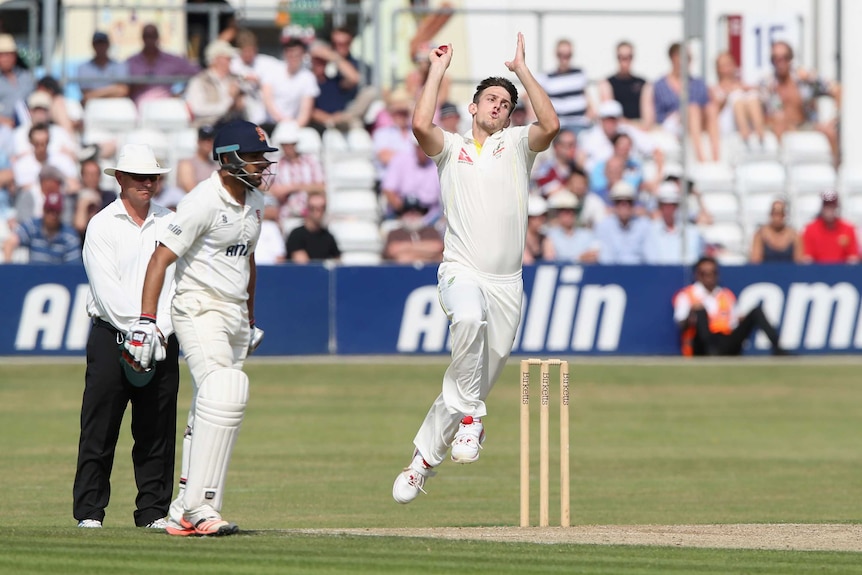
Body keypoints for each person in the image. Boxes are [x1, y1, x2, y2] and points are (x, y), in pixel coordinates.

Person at [392, 33, 559, 504]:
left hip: (507, 285)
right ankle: (473, 420)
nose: (498, 107)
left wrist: (523, 72)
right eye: (491, 99)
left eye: (506, 103)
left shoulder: (519, 145)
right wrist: (437, 70)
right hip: (461, 271)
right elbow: (420, 122)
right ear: (472, 107)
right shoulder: (451, 148)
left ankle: (421, 461)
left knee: (467, 381)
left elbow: (552, 123)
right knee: (466, 320)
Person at [124, 119, 276, 536]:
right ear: (227, 159)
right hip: (198, 308)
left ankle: (180, 510)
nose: (261, 164)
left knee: (210, 409)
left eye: (263, 157)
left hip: (232, 315)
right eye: (253, 156)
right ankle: (201, 508)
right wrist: (147, 320)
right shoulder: (201, 202)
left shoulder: (256, 199)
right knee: (223, 396)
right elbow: (160, 258)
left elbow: (247, 260)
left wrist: (249, 315)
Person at [72, 144, 179, 530]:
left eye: (152, 177)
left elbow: (177, 284)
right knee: (99, 429)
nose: (146, 183)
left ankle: (152, 512)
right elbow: (107, 290)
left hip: (162, 339)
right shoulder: (102, 223)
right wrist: (140, 328)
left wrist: (159, 330)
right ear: (119, 178)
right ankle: (89, 513)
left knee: (156, 432)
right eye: (138, 177)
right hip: (111, 337)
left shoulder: (172, 222)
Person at [673, 256, 787, 356]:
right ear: (697, 275)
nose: (709, 276)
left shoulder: (725, 294)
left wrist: (743, 320)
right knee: (701, 311)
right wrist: (692, 313)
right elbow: (681, 324)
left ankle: (778, 348)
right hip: (702, 343)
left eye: (713, 272)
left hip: (725, 339)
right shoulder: (687, 295)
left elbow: (734, 321)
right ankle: (711, 353)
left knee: (756, 312)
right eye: (704, 273)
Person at [760, 40, 841, 161]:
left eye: (784, 58)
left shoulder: (803, 79)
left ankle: (836, 168)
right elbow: (760, 109)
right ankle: (781, 166)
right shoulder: (767, 84)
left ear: (791, 59)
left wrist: (834, 117)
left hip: (804, 124)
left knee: (830, 132)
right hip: (779, 126)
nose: (780, 63)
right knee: (779, 120)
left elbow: (837, 90)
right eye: (775, 58)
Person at [643, 42, 720, 163]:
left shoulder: (698, 83)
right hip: (670, 123)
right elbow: (652, 116)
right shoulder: (659, 85)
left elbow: (710, 104)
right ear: (673, 58)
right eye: (685, 58)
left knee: (708, 108)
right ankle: (701, 158)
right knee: (692, 108)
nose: (688, 62)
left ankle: (716, 157)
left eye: (689, 58)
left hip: (696, 121)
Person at [126, 24, 200, 107]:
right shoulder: (131, 62)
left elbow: (196, 71)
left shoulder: (171, 60)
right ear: (142, 38)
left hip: (165, 109)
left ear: (157, 38)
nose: (150, 39)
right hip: (137, 109)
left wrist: (180, 92)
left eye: (153, 36)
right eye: (147, 36)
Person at [2, 189, 81, 263]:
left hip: (59, 276)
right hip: (33, 275)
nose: (52, 215)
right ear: (43, 210)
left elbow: (73, 267)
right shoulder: (33, 226)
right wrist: (8, 270)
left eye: (56, 212)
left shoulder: (70, 236)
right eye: (49, 210)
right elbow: (9, 242)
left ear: (61, 213)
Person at [269, 120, 326, 222]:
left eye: (291, 144)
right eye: (285, 144)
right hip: (284, 216)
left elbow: (321, 186)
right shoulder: (275, 164)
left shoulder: (311, 161)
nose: (288, 147)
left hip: (309, 215)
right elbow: (268, 189)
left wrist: (292, 187)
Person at [381, 136, 441, 223]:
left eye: (426, 146)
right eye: (419, 146)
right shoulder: (400, 159)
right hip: (401, 214)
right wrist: (403, 210)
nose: (422, 150)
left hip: (429, 217)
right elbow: (388, 189)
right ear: (414, 146)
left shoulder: (437, 165)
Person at [185, 40, 244, 128]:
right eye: (228, 58)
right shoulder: (199, 81)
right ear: (216, 60)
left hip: (231, 129)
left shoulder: (234, 79)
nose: (231, 62)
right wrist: (229, 100)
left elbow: (244, 107)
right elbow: (197, 109)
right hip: (207, 132)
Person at [261, 38, 319, 128]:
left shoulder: (308, 77)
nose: (294, 58)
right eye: (291, 55)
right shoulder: (273, 70)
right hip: (271, 124)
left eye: (297, 55)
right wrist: (282, 121)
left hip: (295, 126)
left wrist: (293, 126)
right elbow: (267, 100)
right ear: (285, 54)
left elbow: (306, 110)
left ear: (303, 55)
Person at [710, 52, 765, 146]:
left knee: (752, 96)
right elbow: (712, 112)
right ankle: (745, 135)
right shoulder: (713, 90)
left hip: (745, 118)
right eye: (723, 65)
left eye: (729, 64)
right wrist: (728, 93)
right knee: (736, 97)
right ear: (718, 69)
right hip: (726, 128)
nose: (727, 69)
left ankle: (759, 135)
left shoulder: (744, 86)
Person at [230, 28, 282, 127]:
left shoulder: (266, 62)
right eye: (246, 51)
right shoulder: (233, 64)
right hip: (239, 108)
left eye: (251, 51)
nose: (249, 55)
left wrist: (259, 81)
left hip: (264, 108)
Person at [643, 182, 704, 265]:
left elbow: (693, 261)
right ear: (660, 207)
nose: (669, 210)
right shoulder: (649, 232)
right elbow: (651, 260)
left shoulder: (692, 232)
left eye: (672, 205)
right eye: (665, 206)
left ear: (677, 206)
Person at [538, 38, 591, 134]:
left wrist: (590, 117)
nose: (564, 59)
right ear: (556, 55)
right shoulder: (546, 78)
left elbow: (587, 99)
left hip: (580, 124)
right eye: (561, 55)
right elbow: (529, 96)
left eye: (568, 56)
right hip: (559, 126)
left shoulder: (579, 74)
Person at [593, 181, 649, 264]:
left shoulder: (644, 226)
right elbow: (605, 258)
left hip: (638, 273)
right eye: (619, 202)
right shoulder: (603, 226)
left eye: (628, 202)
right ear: (614, 205)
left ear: (633, 205)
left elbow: (650, 258)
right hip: (611, 273)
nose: (624, 206)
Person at [801, 190, 859, 264]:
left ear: (837, 207)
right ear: (822, 207)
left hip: (842, 273)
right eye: (827, 206)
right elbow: (808, 258)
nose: (829, 210)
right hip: (817, 273)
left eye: (832, 206)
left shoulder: (848, 229)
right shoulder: (810, 229)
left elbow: (853, 257)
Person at [598, 40, 647, 125]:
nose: (625, 61)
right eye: (622, 57)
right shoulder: (607, 84)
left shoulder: (643, 84)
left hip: (639, 129)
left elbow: (647, 119)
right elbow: (610, 117)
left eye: (628, 57)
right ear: (617, 58)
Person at [382, 196, 444, 264]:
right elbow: (392, 251)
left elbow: (438, 247)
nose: (412, 215)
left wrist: (407, 251)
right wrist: (426, 253)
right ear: (401, 214)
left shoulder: (431, 231)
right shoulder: (394, 233)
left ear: (422, 213)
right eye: (407, 211)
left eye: (416, 211)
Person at [284, 191, 340, 263]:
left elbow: (337, 263)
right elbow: (304, 265)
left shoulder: (328, 237)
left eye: (322, 208)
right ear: (307, 209)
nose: (318, 213)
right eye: (313, 208)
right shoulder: (296, 235)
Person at [544, 190, 598, 264]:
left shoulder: (587, 234)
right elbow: (549, 262)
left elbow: (593, 257)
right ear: (558, 214)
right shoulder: (551, 236)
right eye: (564, 211)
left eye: (571, 211)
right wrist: (578, 259)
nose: (568, 215)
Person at [77, 31, 130, 104]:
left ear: (108, 44)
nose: (101, 46)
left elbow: (123, 90)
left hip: (116, 106)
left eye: (103, 43)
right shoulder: (83, 68)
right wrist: (114, 90)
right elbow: (86, 94)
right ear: (93, 45)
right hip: (94, 107)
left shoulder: (119, 65)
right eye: (98, 43)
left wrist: (95, 94)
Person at [749, 197, 803, 264]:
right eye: (775, 213)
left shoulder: (793, 236)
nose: (777, 217)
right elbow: (755, 261)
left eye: (780, 213)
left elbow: (799, 262)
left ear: (785, 215)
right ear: (770, 214)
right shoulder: (761, 235)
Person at [0, 34, 34, 129]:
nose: (6, 59)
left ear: (15, 56)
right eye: (2, 55)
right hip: (4, 127)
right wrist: (3, 120)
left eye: (9, 54)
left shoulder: (26, 76)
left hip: (29, 124)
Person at [176, 124, 219, 193]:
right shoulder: (187, 163)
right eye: (206, 139)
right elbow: (190, 189)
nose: (209, 143)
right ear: (198, 141)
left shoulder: (216, 165)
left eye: (212, 139)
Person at [522, 194, 551, 264]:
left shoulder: (545, 239)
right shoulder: (520, 241)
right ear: (529, 218)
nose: (542, 220)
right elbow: (529, 264)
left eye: (544, 216)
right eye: (538, 217)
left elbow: (550, 261)